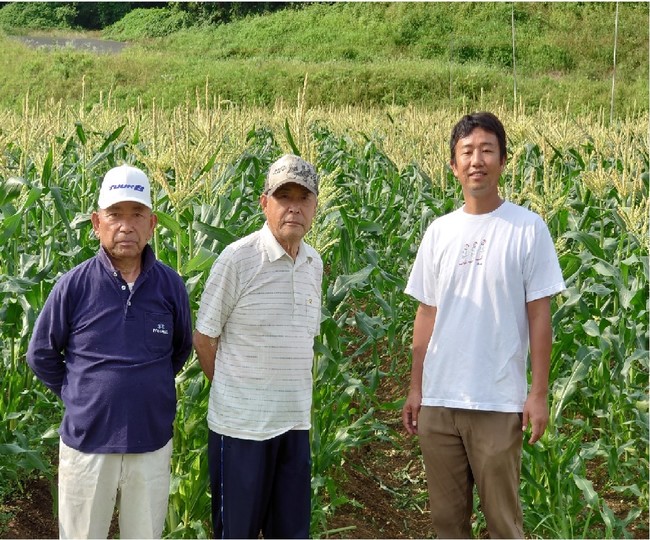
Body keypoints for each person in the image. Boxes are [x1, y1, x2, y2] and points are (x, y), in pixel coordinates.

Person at [402, 112, 566, 538]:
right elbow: (427, 314)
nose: (477, 160)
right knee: (446, 523)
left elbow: (539, 314)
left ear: (503, 160)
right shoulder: (439, 232)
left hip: (496, 401)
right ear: (454, 165)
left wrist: (538, 393)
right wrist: (416, 388)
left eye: (487, 150)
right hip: (440, 403)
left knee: (503, 524)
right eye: (467, 152)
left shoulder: (527, 228)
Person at [27, 164, 193, 539]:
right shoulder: (74, 286)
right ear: (96, 223)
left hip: (151, 443)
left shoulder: (170, 286)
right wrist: (80, 395)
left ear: (152, 224)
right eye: (115, 214)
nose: (126, 225)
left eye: (137, 215)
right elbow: (41, 354)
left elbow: (180, 348)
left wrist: (149, 388)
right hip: (88, 446)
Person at [193, 153, 323, 539]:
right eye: (285, 197)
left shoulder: (314, 263)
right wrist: (237, 393)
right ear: (265, 202)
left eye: (304, 198)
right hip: (241, 432)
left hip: (295, 426)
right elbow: (204, 337)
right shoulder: (238, 259)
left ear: (315, 207)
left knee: (291, 533)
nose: (294, 208)